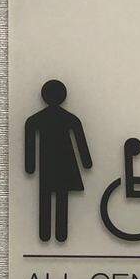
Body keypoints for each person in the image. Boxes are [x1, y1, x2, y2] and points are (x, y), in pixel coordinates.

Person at [24, 79, 92, 242]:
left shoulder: (35, 119)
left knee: (46, 196)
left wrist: (30, 166)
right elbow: (81, 143)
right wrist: (86, 162)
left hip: (48, 164)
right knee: (61, 198)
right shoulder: (69, 118)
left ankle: (45, 234)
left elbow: (30, 144)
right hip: (64, 163)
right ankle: (60, 234)